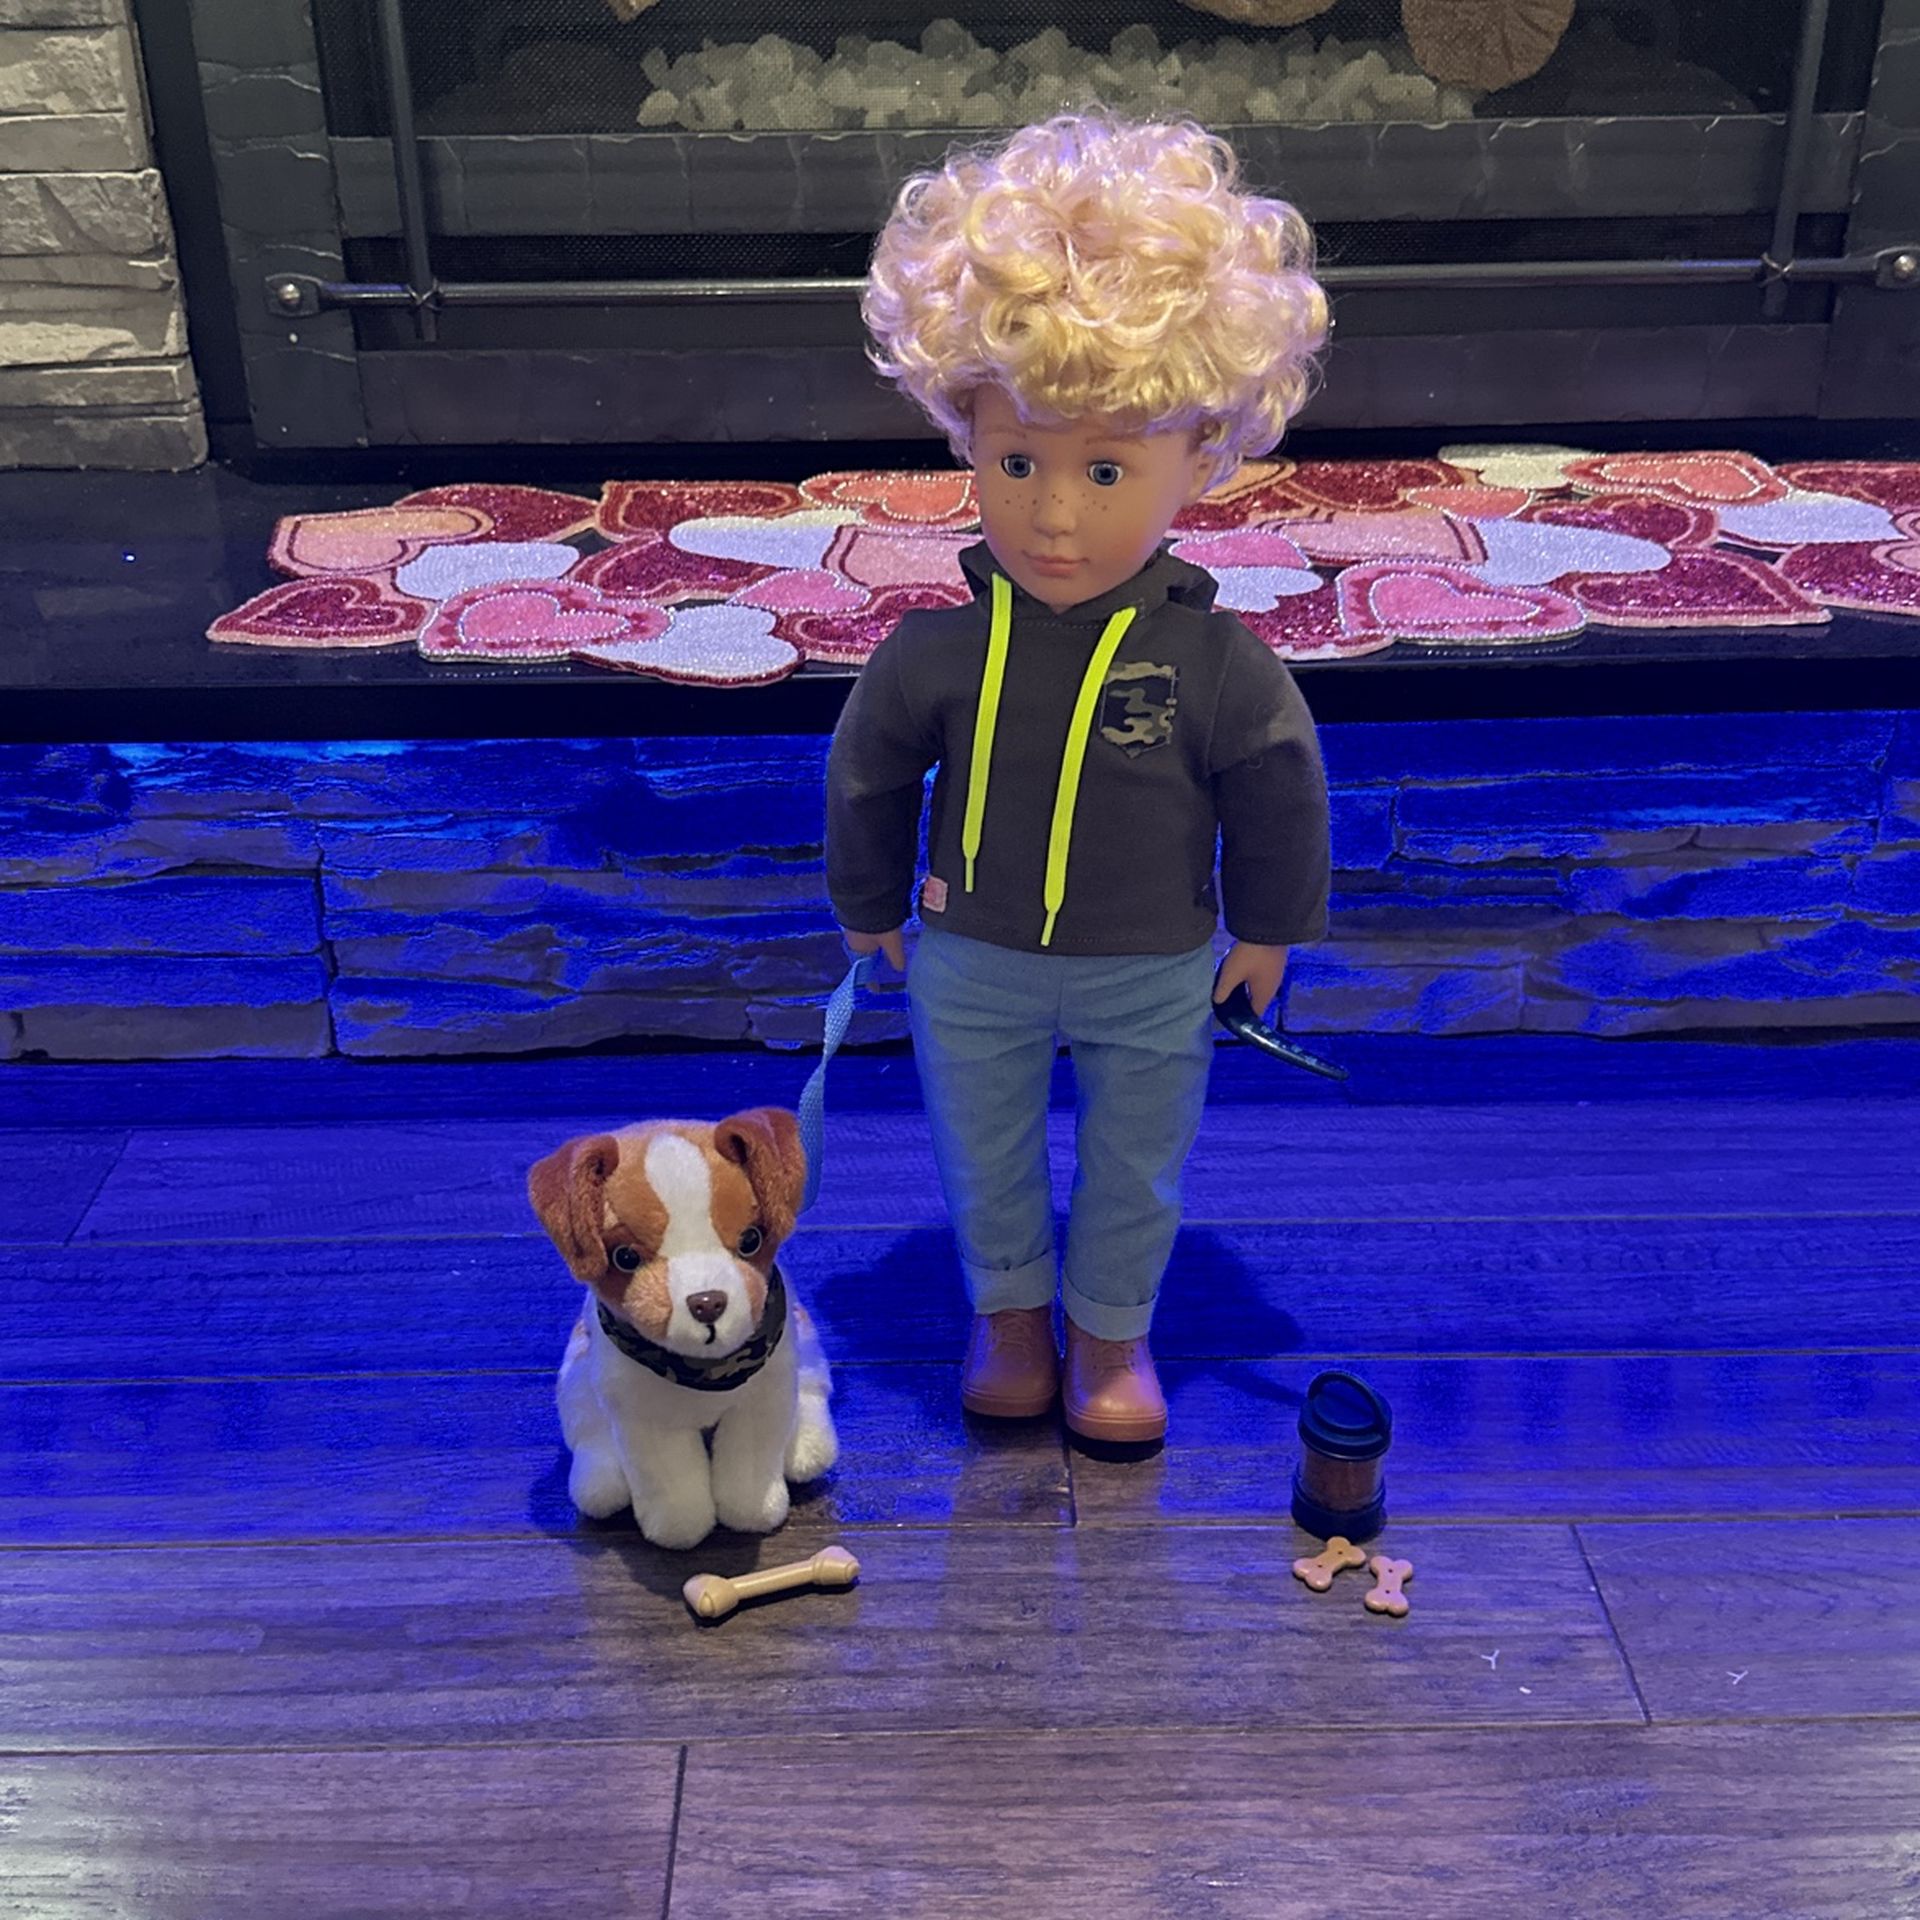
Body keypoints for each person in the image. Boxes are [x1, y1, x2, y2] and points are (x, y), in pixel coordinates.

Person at [826, 110, 1332, 1445]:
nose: (1055, 512)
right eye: (1018, 462)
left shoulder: (1218, 663)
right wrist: (867, 906)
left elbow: (1280, 789)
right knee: (980, 1149)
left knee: (1137, 1160)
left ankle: (1112, 1333)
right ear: (965, 439)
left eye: (1107, 469)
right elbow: (869, 776)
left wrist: (1270, 930)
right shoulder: (935, 653)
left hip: (1153, 968)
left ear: (1200, 456)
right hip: (972, 959)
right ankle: (1007, 1320)